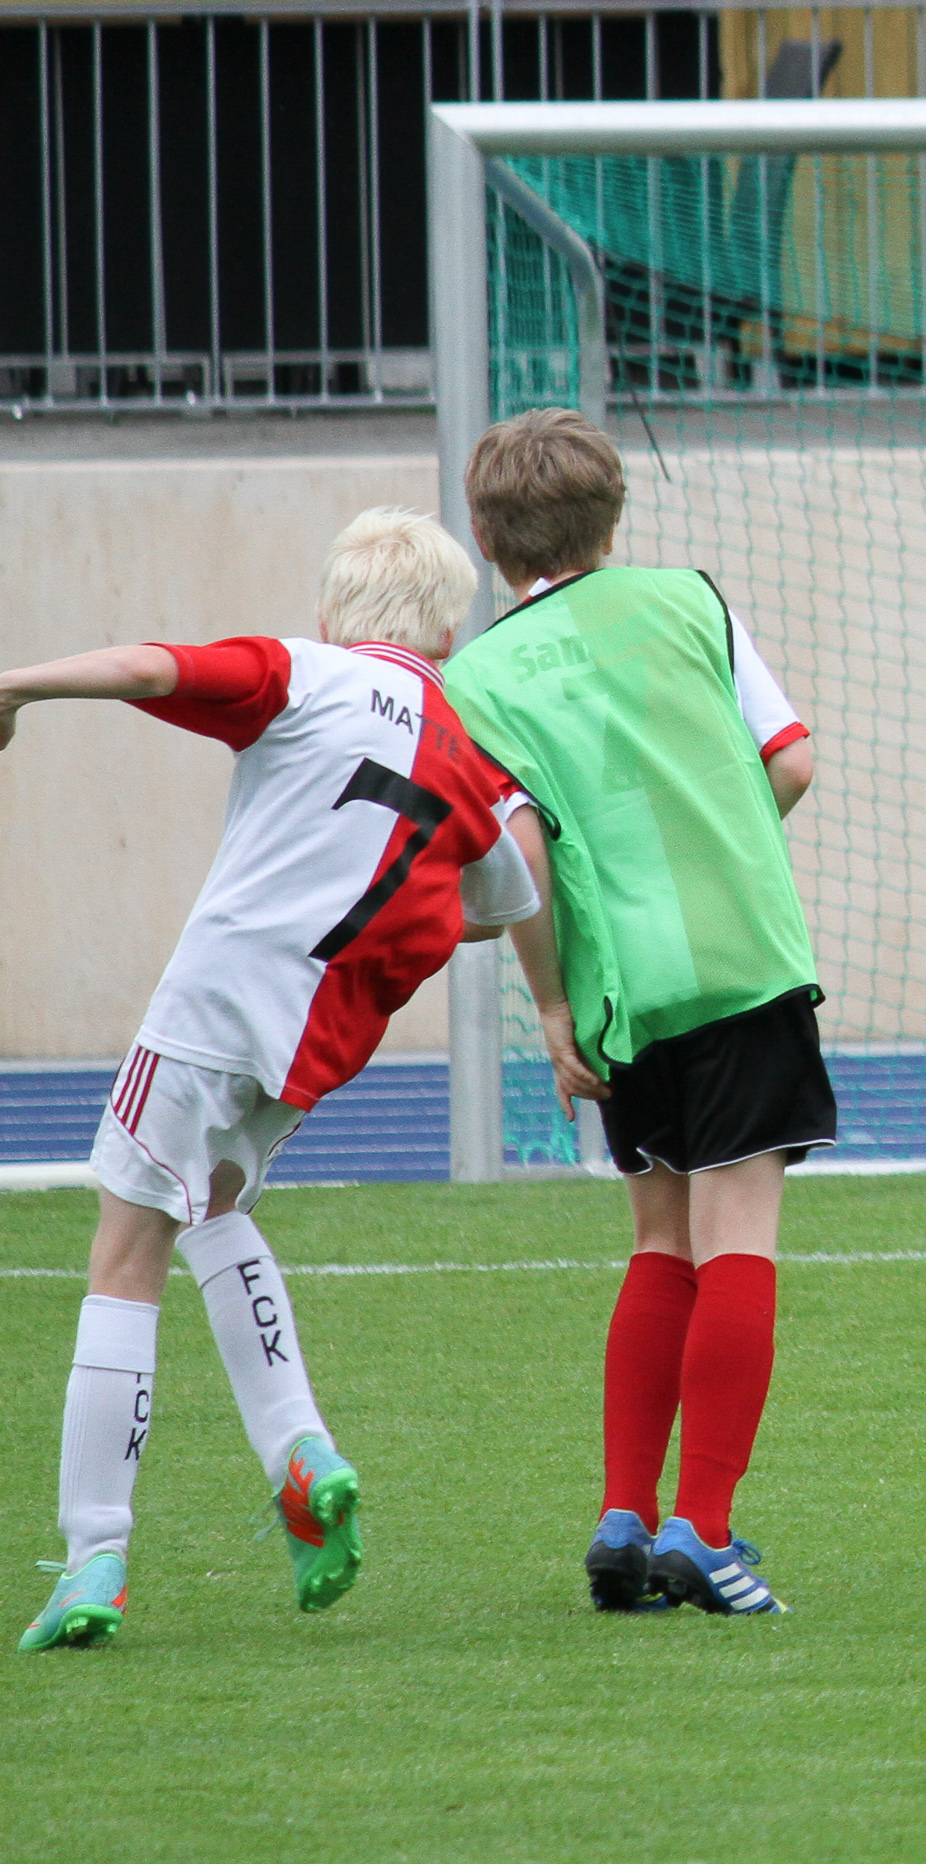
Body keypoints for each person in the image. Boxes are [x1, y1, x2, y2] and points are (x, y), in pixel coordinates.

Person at [11, 509, 555, 1652]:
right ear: (447, 632)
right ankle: (297, 1449)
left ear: (332, 612)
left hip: (214, 1007)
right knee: (214, 1210)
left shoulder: (306, 673)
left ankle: (94, 1551)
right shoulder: (463, 752)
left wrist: (19, 686)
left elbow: (151, 666)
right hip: (315, 1044)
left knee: (123, 1254)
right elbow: (506, 898)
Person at [443, 408, 827, 1620]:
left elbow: (521, 857)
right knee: (739, 1236)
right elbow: (791, 760)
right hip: (739, 962)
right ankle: (701, 1531)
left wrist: (553, 1005)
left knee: (662, 1240)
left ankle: (624, 1518)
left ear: (487, 539)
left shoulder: (475, 678)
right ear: (613, 518)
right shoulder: (691, 601)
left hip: (620, 991)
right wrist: (722, 851)